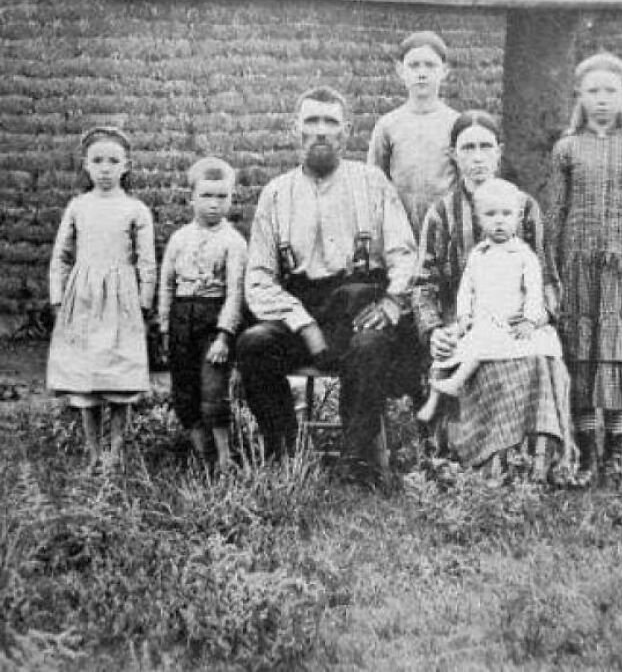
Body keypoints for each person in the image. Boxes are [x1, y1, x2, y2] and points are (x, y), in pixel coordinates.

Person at [237, 86, 417, 484]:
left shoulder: (372, 183)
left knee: (370, 347)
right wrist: (302, 322)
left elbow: (405, 255)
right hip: (300, 310)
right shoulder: (276, 194)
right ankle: (286, 454)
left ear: (347, 131)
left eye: (330, 122)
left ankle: (355, 465)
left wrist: (390, 304)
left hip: (358, 307)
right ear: (294, 129)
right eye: (311, 121)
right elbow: (259, 278)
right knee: (253, 345)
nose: (321, 131)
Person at [413, 111, 571, 478]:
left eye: (486, 146)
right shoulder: (441, 213)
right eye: (468, 147)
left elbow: (546, 276)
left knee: (538, 358)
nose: (477, 156)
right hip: (464, 321)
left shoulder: (524, 207)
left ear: (499, 152)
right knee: (467, 357)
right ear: (454, 154)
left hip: (519, 318)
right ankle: (477, 463)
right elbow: (425, 283)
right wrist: (435, 329)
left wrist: (540, 316)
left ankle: (533, 463)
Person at [546, 52, 622, 486]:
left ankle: (614, 452)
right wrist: (550, 277)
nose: (602, 100)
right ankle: (587, 454)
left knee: (617, 358)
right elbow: (554, 216)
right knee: (580, 358)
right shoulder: (567, 149)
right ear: (580, 97)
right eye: (593, 91)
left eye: (610, 91)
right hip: (576, 272)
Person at [47, 126, 156, 472]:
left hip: (122, 300)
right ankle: (93, 452)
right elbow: (62, 255)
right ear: (86, 166)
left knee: (118, 376)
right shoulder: (79, 206)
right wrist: (58, 298)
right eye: (97, 161)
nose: (105, 168)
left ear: (126, 166)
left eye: (113, 161)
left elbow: (146, 260)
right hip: (83, 300)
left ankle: (116, 451)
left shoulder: (135, 210)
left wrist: (144, 300)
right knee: (87, 379)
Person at [417, 178, 562, 421]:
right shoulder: (478, 254)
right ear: (479, 220)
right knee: (447, 353)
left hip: (511, 322)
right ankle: (434, 402)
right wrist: (463, 316)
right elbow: (466, 289)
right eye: (491, 215)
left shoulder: (524, 256)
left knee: (488, 345)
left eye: (506, 214)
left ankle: (456, 383)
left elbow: (535, 291)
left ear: (517, 219)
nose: (499, 221)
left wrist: (530, 319)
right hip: (482, 319)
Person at [158, 157, 247, 471]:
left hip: (213, 323)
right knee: (185, 393)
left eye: (222, 196)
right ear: (191, 197)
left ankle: (225, 458)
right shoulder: (179, 239)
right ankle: (203, 457)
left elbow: (236, 292)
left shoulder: (233, 242)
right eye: (207, 196)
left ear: (231, 198)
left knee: (213, 394)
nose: (214, 204)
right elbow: (167, 284)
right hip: (181, 321)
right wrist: (166, 328)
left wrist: (224, 336)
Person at [367, 31, 459, 241]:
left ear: (444, 70)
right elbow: (375, 183)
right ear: (401, 70)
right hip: (399, 232)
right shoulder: (388, 125)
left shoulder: (456, 124)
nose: (422, 73)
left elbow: (464, 182)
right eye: (414, 65)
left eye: (430, 65)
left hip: (446, 232)